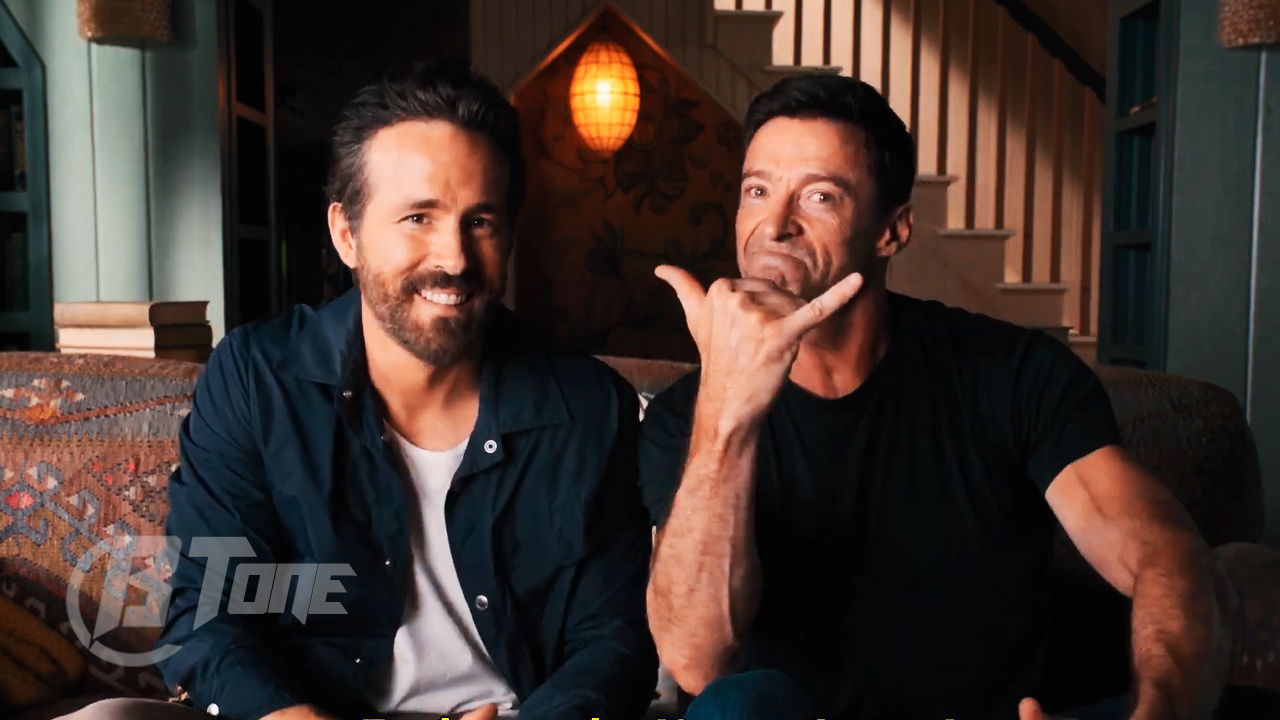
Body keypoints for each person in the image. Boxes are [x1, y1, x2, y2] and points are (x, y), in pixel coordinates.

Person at [63, 61, 657, 720]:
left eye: (481, 222)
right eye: (419, 217)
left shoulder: (590, 406)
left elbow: (614, 641)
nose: (454, 258)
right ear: (346, 234)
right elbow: (207, 614)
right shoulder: (257, 379)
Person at [639, 74, 1235, 720]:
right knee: (734, 705)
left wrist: (1159, 711)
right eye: (757, 191)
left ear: (892, 230)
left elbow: (1164, 554)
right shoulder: (685, 417)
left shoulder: (1014, 373)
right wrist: (728, 408)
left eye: (819, 196)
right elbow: (697, 659)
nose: (775, 225)